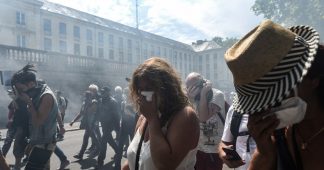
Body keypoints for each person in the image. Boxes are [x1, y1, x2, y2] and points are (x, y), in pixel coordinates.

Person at [224, 20, 323, 169]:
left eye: (276, 95)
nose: (267, 108)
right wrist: (265, 152)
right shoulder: (279, 135)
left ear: (313, 79)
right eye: (260, 102)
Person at [122, 57, 200, 170]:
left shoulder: (185, 116)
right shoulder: (144, 117)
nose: (142, 95)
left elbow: (164, 165)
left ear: (166, 88)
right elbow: (134, 159)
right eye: (140, 89)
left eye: (148, 88)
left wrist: (153, 119)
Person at [11, 64, 60, 170]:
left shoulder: (46, 96)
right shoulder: (36, 92)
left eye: (21, 89)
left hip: (45, 143)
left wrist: (29, 102)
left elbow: (38, 122)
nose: (20, 92)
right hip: (38, 141)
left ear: (31, 84)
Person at [185, 72, 227, 170]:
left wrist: (203, 94)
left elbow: (203, 117)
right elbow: (188, 118)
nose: (190, 90)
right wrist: (190, 100)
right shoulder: (191, 99)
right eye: (188, 87)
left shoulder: (216, 94)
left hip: (212, 149)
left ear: (203, 84)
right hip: (196, 148)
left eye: (193, 86)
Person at [70, 89, 101, 160]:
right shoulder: (85, 103)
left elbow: (94, 113)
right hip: (87, 124)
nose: (86, 98)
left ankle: (99, 149)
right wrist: (73, 121)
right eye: (86, 96)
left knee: (91, 138)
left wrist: (95, 122)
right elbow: (81, 113)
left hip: (92, 124)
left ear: (91, 96)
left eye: (88, 96)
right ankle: (81, 154)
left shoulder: (94, 103)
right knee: (87, 139)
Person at [96, 86, 119, 168]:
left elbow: (117, 115)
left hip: (110, 124)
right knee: (110, 140)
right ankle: (118, 151)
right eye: (102, 92)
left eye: (104, 92)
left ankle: (100, 160)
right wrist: (96, 120)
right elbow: (98, 111)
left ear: (108, 92)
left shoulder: (113, 102)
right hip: (103, 124)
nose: (102, 93)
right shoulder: (100, 100)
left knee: (103, 141)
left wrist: (117, 128)